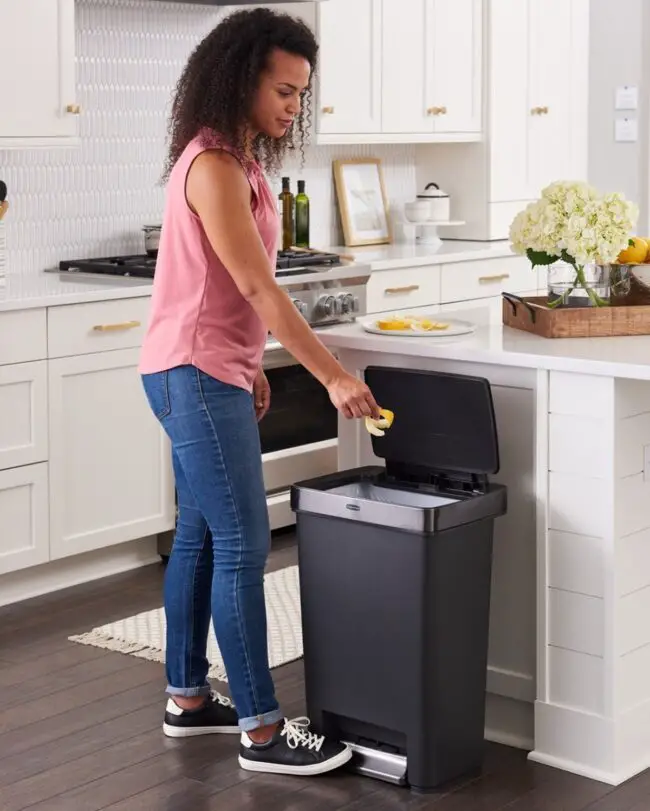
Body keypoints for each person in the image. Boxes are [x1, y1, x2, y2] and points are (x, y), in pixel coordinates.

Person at [139, 7, 380, 778]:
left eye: (301, 95)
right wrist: (333, 373)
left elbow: (227, 294)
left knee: (206, 538)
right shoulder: (210, 167)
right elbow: (257, 285)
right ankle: (263, 728)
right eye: (282, 89)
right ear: (242, 78)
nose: (292, 106)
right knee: (245, 542)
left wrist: (249, 369)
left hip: (205, 369)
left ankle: (187, 696)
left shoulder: (238, 161)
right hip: (191, 371)